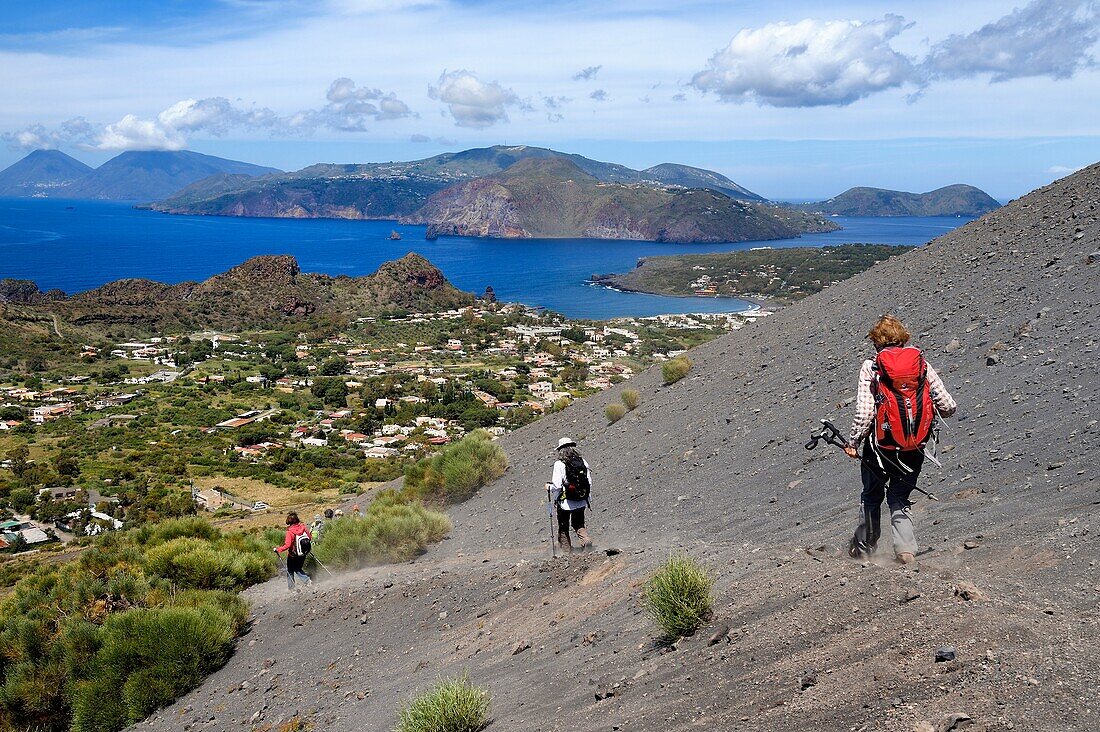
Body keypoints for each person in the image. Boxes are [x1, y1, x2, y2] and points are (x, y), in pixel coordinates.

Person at [845, 315, 957, 564]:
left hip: (880, 446)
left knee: (871, 494)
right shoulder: (921, 365)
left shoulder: (872, 366)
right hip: (914, 446)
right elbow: (948, 406)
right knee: (899, 496)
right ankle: (905, 550)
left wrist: (852, 443)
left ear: (876, 341)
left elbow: (865, 413)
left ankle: (865, 547)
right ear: (903, 337)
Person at [548, 437, 593, 553]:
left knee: (563, 525)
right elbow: (589, 481)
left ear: (560, 450)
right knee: (578, 522)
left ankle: (566, 552)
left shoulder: (559, 464)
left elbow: (557, 486)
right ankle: (585, 540)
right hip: (582, 498)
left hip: (565, 501)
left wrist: (549, 487)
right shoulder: (582, 461)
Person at [274, 512, 313, 591]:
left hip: (293, 555)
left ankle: (292, 587)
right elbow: (309, 538)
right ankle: (307, 581)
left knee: (290, 570)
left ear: (289, 521)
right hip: (303, 552)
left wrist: (278, 549)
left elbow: (287, 545)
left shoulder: (290, 532)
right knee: (297, 568)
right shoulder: (303, 528)